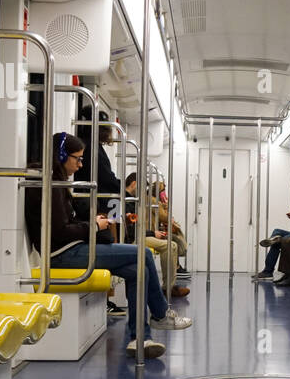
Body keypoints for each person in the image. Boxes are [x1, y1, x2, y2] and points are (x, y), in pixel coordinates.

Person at [24, 132, 191, 361]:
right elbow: (60, 231)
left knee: (137, 271)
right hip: (62, 254)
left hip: (70, 248)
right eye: (77, 159)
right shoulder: (51, 184)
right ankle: (161, 314)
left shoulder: (57, 182)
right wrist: (93, 225)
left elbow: (65, 223)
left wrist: (93, 222)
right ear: (62, 155)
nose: (80, 164)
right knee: (142, 254)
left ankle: (140, 338)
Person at [73, 107, 127, 314]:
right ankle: (105, 300)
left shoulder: (91, 146)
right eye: (105, 128)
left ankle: (106, 298)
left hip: (96, 203)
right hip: (93, 205)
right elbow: (105, 177)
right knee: (105, 242)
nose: (108, 133)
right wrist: (124, 187)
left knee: (108, 240)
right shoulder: (91, 148)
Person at [124, 173, 189, 297]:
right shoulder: (128, 201)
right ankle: (168, 287)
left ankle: (169, 285)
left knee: (172, 244)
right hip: (134, 238)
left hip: (141, 235)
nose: (144, 192)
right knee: (170, 245)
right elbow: (130, 231)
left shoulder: (133, 201)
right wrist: (153, 233)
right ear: (134, 184)